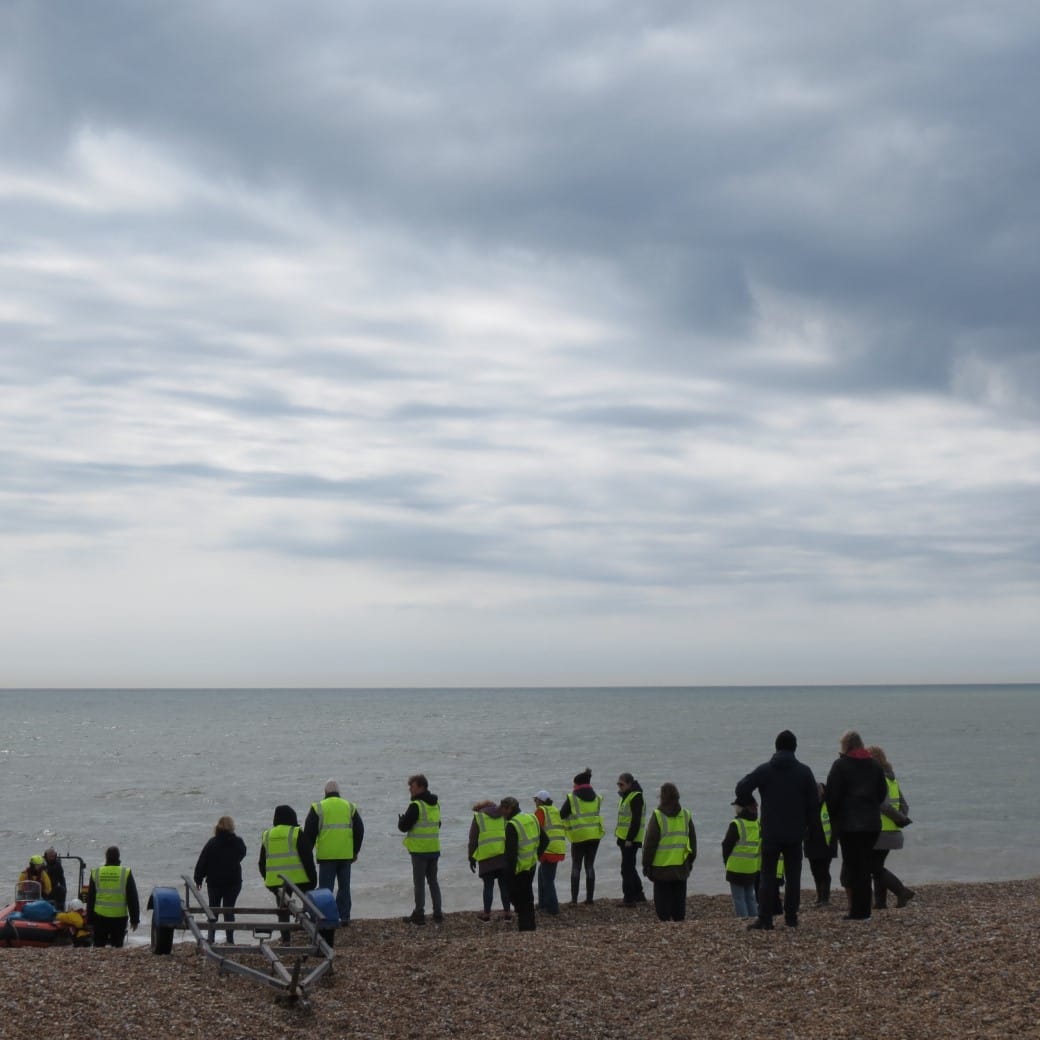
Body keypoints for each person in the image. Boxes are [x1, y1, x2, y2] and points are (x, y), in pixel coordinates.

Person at [735, 729, 819, 931]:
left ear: (776, 747)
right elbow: (813, 805)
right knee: (793, 876)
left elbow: (741, 788)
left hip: (771, 831)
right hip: (795, 832)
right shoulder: (804, 772)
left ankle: (765, 918)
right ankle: (791, 917)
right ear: (795, 748)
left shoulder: (765, 770)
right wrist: (809, 828)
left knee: (767, 875)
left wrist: (750, 801)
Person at [825, 730, 888, 921]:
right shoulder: (875, 765)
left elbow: (832, 797)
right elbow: (881, 792)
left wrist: (835, 816)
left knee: (853, 867)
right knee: (865, 867)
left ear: (845, 746)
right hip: (871, 824)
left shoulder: (840, 765)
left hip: (849, 825)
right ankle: (863, 911)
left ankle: (859, 912)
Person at [303, 780, 364, 926]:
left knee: (326, 890)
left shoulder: (318, 808)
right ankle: (344, 917)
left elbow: (309, 833)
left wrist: (306, 854)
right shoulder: (349, 807)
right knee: (344, 887)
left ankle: (326, 918)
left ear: (325, 793)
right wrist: (355, 851)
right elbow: (359, 830)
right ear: (339, 792)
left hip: (327, 856)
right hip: (345, 855)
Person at [259, 804, 317, 942]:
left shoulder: (267, 835)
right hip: (300, 879)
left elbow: (262, 862)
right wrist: (313, 879)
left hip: (276, 882)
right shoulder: (296, 832)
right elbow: (307, 858)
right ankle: (310, 931)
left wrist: (267, 878)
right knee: (307, 905)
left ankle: (286, 939)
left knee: (282, 910)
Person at [867, 746, 915, 909]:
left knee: (872, 866)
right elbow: (904, 805)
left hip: (880, 830)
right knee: (877, 865)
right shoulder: (892, 779)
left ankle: (901, 891)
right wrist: (900, 819)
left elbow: (884, 805)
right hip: (892, 831)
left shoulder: (877, 779)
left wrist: (898, 818)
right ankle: (880, 902)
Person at [641, 782, 697, 922]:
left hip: (661, 868)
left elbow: (650, 843)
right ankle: (678, 921)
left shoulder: (658, 816)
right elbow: (693, 841)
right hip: (680, 865)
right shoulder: (685, 815)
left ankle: (665, 922)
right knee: (679, 898)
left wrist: (646, 864)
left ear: (661, 797)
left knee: (662, 900)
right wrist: (690, 860)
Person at [193, 815, 247, 944]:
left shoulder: (212, 843)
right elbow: (243, 853)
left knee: (213, 910)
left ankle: (211, 938)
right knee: (229, 910)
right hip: (233, 882)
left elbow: (203, 861)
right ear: (232, 827)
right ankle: (230, 940)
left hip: (215, 882)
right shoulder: (238, 842)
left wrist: (198, 879)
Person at [398, 773, 443, 925]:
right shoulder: (435, 804)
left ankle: (419, 913)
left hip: (420, 851)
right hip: (434, 848)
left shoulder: (416, 805)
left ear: (421, 787)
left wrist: (402, 820)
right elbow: (438, 824)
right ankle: (438, 913)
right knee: (433, 881)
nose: (410, 789)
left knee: (419, 883)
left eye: (412, 786)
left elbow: (404, 827)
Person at [501, 796, 547, 931]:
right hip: (531, 866)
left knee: (517, 897)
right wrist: (536, 855)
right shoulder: (532, 818)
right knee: (527, 897)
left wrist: (510, 871)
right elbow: (545, 840)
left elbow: (511, 853)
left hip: (518, 869)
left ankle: (525, 928)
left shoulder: (512, 824)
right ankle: (529, 927)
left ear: (510, 808)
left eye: (503, 809)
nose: (501, 812)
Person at [560, 767, 604, 905]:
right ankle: (590, 899)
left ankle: (574, 900)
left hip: (579, 836)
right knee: (590, 865)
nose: (573, 786)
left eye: (574, 784)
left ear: (577, 785)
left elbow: (562, 814)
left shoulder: (572, 798)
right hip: (595, 835)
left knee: (576, 866)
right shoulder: (597, 798)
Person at [87, 846, 140, 948]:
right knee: (117, 947)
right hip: (119, 917)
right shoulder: (125, 872)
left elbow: (91, 898)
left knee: (99, 946)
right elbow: (132, 897)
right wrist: (135, 920)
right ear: (118, 857)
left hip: (100, 916)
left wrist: (89, 921)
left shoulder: (96, 872)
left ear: (106, 857)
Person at [468, 799, 511, 921]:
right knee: (504, 885)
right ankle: (507, 913)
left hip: (486, 857)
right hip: (502, 856)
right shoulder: (503, 816)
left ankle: (486, 914)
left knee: (488, 886)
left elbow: (473, 840)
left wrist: (471, 858)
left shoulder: (479, 817)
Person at [721, 797, 760, 918]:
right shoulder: (757, 823)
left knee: (738, 897)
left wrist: (726, 861)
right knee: (750, 896)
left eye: (736, 807)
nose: (735, 809)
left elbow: (726, 844)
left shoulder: (737, 824)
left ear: (741, 809)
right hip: (752, 866)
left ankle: (743, 920)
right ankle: (754, 918)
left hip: (736, 867)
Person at [615, 773, 647, 906]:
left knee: (626, 869)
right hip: (623, 837)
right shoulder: (626, 796)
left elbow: (636, 820)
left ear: (629, 784)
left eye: (621, 784)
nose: (619, 786)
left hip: (630, 839)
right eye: (618, 784)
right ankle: (639, 894)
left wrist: (630, 838)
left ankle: (629, 899)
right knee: (630, 867)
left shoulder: (636, 797)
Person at [804, 782, 838, 906]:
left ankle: (825, 898)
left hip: (826, 843)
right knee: (815, 870)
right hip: (811, 842)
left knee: (824, 870)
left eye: (819, 790)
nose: (817, 793)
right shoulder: (808, 805)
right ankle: (819, 896)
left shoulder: (829, 805)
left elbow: (836, 822)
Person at [533, 791, 565, 915]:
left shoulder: (541, 811)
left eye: (535, 800)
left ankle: (553, 909)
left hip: (548, 849)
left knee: (548, 880)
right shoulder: (554, 810)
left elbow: (536, 829)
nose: (535, 803)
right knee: (542, 875)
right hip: (558, 847)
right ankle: (543, 904)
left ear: (540, 801)